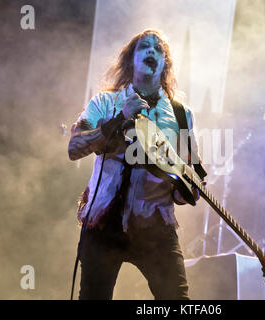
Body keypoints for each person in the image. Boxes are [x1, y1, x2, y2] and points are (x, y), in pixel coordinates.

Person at [68, 29, 202, 300]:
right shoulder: (105, 102)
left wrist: (188, 188)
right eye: (144, 47)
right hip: (104, 225)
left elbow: (189, 175)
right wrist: (119, 120)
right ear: (132, 59)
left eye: (158, 49)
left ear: (165, 63)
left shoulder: (182, 115)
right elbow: (74, 148)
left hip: (155, 228)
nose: (151, 51)